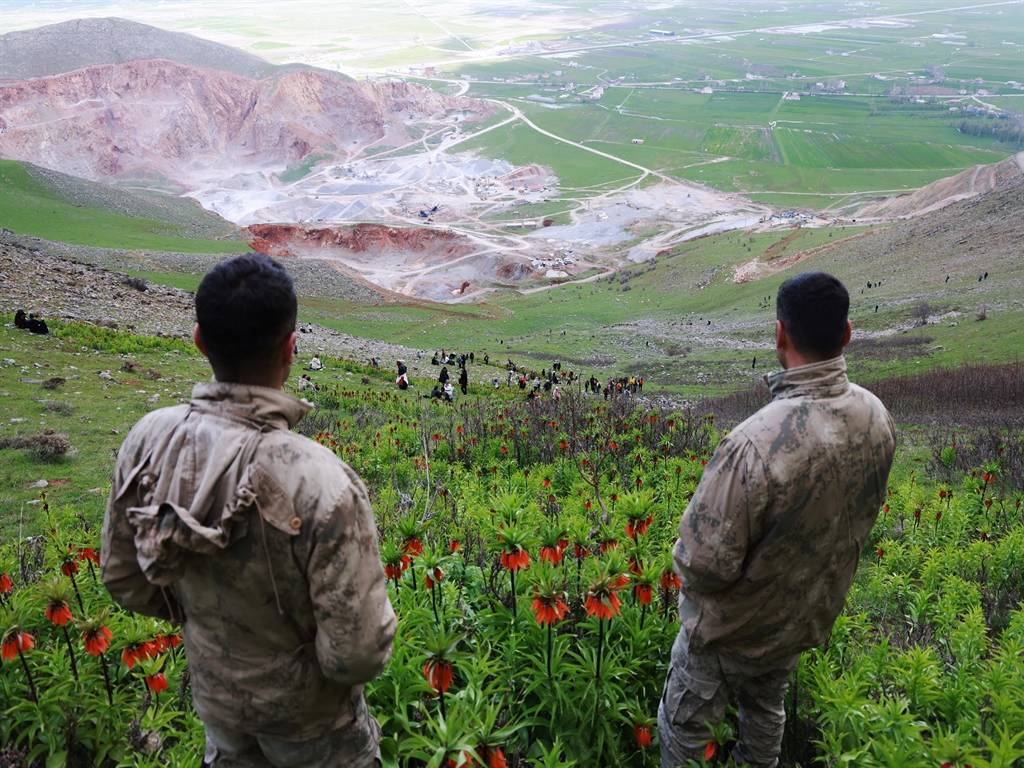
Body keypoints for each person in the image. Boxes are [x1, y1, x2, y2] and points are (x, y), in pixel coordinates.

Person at [102, 254, 396, 768]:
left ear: (198, 339)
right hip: (317, 731)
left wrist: (207, 621)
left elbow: (124, 578)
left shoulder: (148, 440)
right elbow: (356, 654)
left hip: (219, 711)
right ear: (291, 346)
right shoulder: (320, 479)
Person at [658, 272, 896, 768]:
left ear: (779, 335)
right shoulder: (876, 416)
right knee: (765, 717)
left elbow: (703, 565)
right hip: (798, 619)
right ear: (847, 333)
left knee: (683, 730)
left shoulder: (754, 443)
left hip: (727, 632)